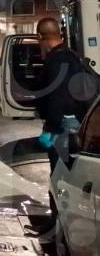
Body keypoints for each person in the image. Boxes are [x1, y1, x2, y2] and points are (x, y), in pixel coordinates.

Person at [33, 17, 84, 232]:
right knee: (68, 175)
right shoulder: (72, 56)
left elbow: (56, 98)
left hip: (62, 125)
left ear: (40, 37)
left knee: (58, 175)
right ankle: (63, 222)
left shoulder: (55, 61)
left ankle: (58, 225)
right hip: (77, 122)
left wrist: (50, 128)